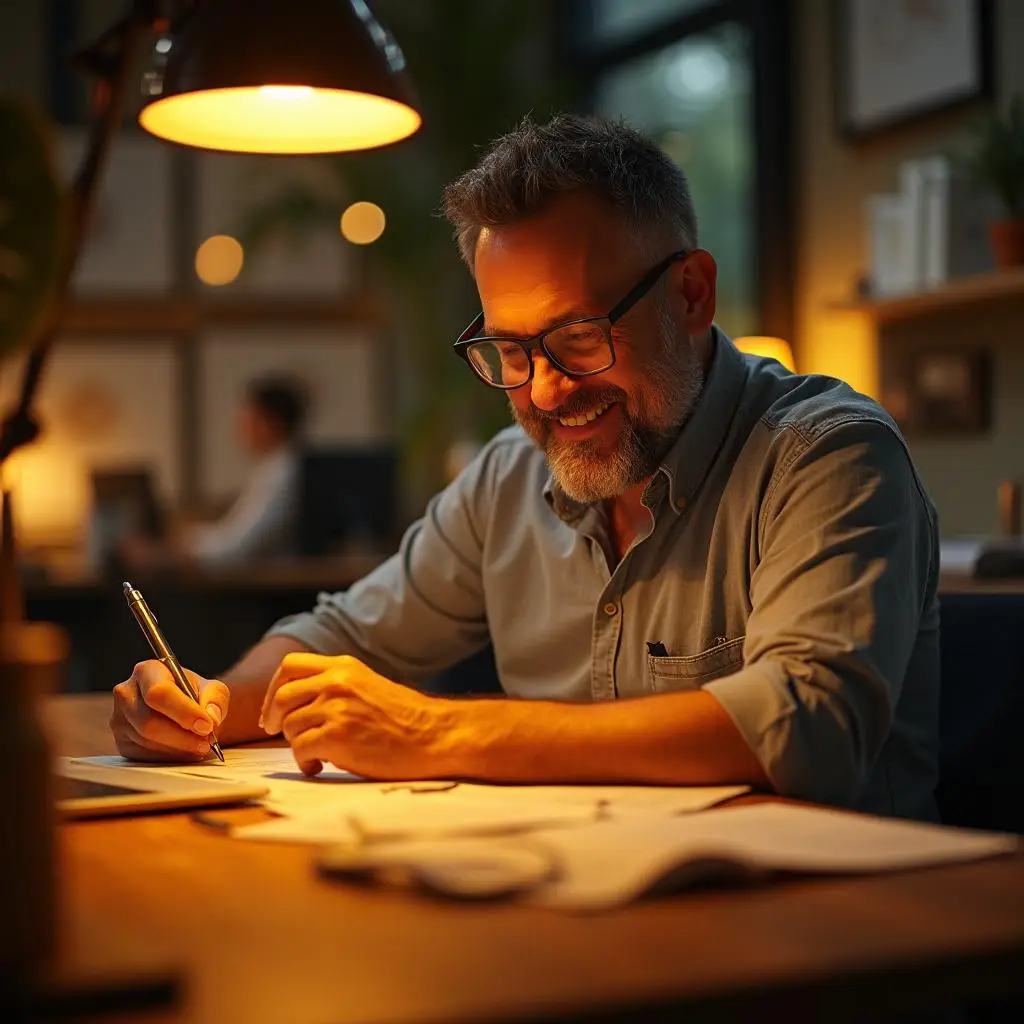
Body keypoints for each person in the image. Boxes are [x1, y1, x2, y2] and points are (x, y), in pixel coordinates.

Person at [110, 114, 940, 821]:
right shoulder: (508, 479)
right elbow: (341, 636)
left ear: (690, 294)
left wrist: (435, 734)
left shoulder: (827, 454)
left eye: (579, 338)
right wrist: (206, 700)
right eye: (509, 348)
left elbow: (808, 726)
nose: (545, 389)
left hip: (831, 944)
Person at [122, 376, 307, 569]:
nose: (242, 430)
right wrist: (182, 542)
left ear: (272, 423)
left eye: (249, 420)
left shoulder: (281, 472)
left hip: (269, 586)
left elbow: (238, 546)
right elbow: (231, 534)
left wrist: (173, 551)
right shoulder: (272, 468)